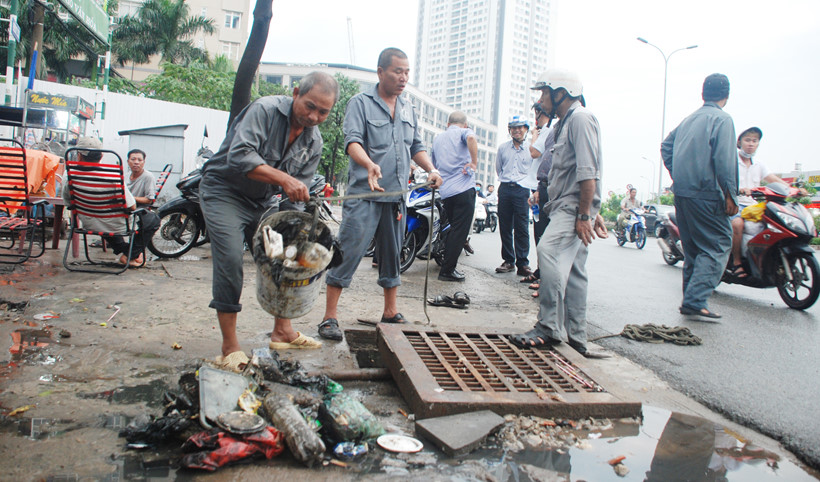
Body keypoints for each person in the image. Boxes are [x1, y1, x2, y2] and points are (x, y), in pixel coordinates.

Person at [199, 71, 339, 370]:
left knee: (283, 258)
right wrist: (285, 179)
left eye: (323, 112)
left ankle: (283, 330)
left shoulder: (314, 143)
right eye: (310, 106)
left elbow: (293, 195)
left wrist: (297, 233)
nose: (314, 116)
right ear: (296, 93)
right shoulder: (264, 110)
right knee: (230, 259)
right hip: (224, 191)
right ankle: (229, 347)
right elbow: (240, 156)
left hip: (262, 202)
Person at [318, 48, 443, 341]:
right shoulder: (360, 104)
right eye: (397, 71)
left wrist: (431, 169)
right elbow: (352, 142)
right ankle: (329, 317)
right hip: (365, 194)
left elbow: (416, 146)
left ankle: (390, 311)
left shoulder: (409, 108)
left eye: (407, 72)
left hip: (397, 197)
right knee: (347, 251)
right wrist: (369, 165)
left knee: (393, 254)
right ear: (380, 72)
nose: (403, 78)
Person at [511, 68, 607, 356]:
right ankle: (577, 338)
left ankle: (549, 327)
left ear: (561, 93)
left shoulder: (580, 119)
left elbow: (589, 172)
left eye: (544, 93)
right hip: (567, 203)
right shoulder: (564, 123)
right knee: (575, 271)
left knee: (548, 250)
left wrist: (585, 214)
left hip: (572, 207)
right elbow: (566, 168)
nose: (541, 99)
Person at [661, 73, 738, 319]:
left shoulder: (689, 119)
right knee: (718, 245)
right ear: (726, 95)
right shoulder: (722, 120)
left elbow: (666, 146)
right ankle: (695, 301)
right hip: (707, 194)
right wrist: (731, 195)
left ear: (703, 94)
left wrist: (679, 173)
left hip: (683, 193)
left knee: (694, 249)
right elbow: (725, 161)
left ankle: (691, 299)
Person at [62, 137, 145, 267]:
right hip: (115, 224)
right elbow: (132, 206)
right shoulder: (112, 175)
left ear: (79, 155)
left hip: (89, 223)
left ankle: (127, 252)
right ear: (101, 156)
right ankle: (132, 253)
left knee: (104, 222)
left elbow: (68, 203)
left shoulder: (69, 175)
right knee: (152, 220)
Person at [729, 127, 797, 277]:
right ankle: (737, 262)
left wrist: (792, 190)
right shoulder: (731, 161)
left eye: (754, 141)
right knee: (737, 224)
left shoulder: (759, 164)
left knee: (776, 225)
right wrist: (740, 189)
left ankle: (764, 260)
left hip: (754, 206)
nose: (751, 144)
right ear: (739, 142)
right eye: (747, 140)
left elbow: (773, 179)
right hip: (735, 204)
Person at [431, 110, 478, 281]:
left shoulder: (438, 139)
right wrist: (473, 162)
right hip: (464, 190)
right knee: (460, 232)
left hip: (446, 192)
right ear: (465, 125)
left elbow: (434, 165)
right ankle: (447, 270)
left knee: (451, 229)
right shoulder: (465, 132)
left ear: (447, 124)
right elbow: (472, 139)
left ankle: (446, 265)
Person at [522, 102, 555, 291]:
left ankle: (545, 277)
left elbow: (534, 153)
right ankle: (540, 271)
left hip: (544, 188)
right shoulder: (546, 131)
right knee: (539, 232)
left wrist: (534, 136)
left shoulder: (547, 131)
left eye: (539, 114)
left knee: (544, 234)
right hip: (537, 187)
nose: (537, 118)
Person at [495, 116, 533, 276]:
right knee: (505, 226)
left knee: (522, 227)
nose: (517, 130)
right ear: (509, 130)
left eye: (520, 127)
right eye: (513, 128)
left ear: (526, 129)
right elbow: (499, 168)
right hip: (505, 189)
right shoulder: (503, 148)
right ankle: (508, 261)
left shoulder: (532, 148)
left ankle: (523, 263)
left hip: (522, 190)